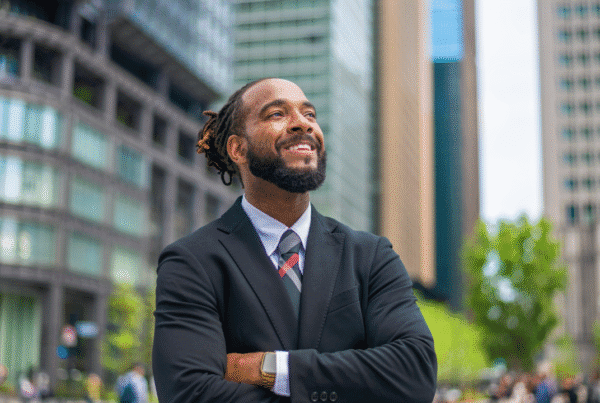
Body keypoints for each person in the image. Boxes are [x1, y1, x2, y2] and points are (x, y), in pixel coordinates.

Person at [152, 77, 437, 402]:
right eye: (277, 114)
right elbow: (189, 393)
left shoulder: (371, 256)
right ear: (238, 148)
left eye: (310, 115)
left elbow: (415, 373)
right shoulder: (191, 262)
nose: (303, 124)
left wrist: (272, 368)